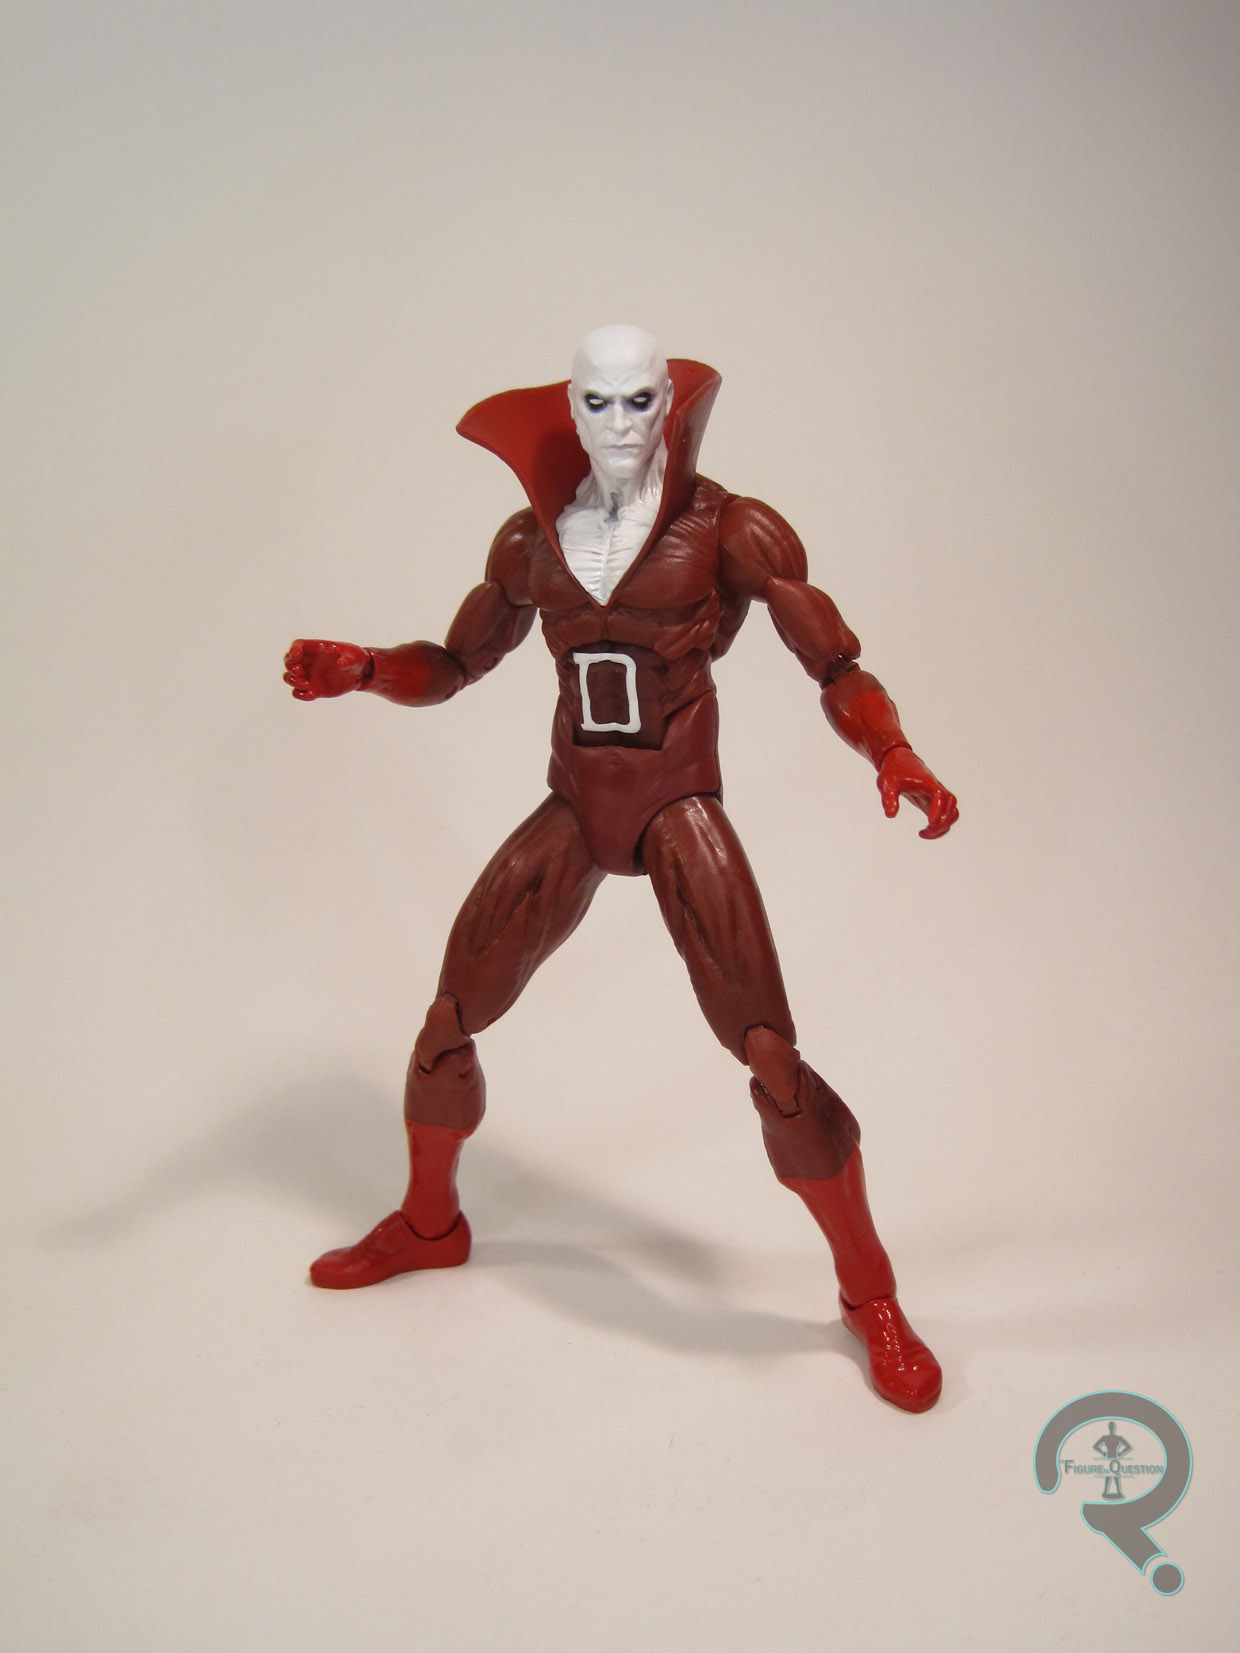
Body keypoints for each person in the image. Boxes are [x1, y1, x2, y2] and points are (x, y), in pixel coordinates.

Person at [284, 325, 958, 1411]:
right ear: (570, 408)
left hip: (677, 806)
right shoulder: (531, 541)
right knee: (448, 1022)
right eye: (595, 402)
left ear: (670, 407)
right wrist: (363, 668)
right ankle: (429, 1224)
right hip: (576, 805)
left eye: (639, 401)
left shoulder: (730, 529)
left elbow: (834, 660)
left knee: (772, 1058)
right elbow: (455, 663)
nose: (617, 424)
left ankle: (868, 1294)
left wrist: (891, 749)